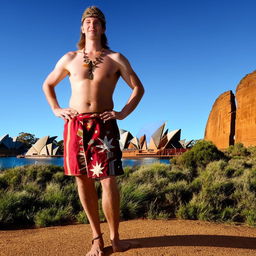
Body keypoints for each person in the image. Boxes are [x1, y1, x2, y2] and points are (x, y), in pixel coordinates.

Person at [42, 6, 144, 256]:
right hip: (76, 124)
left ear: (103, 28)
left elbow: (138, 88)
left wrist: (122, 113)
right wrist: (56, 109)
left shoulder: (116, 58)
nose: (91, 25)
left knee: (108, 181)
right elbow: (48, 83)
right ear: (82, 27)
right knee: (82, 179)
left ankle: (116, 238)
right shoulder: (69, 58)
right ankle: (96, 238)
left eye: (96, 22)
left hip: (104, 124)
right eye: (87, 21)